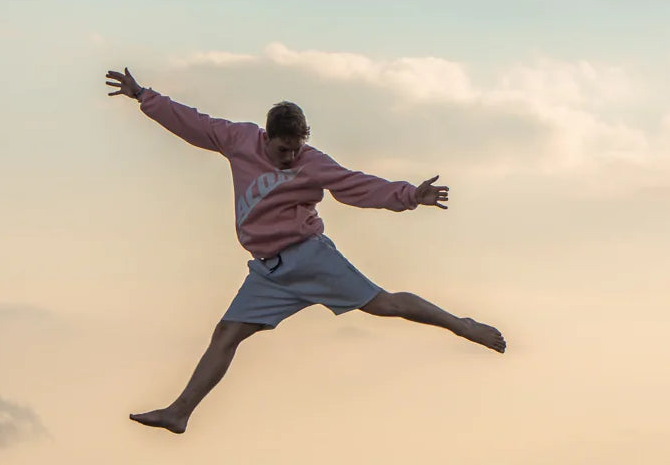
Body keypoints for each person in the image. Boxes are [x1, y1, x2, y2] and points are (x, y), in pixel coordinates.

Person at [107, 67, 504, 433]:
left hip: (309, 257)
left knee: (385, 305)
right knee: (226, 333)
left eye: (297, 148)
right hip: (268, 273)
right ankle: (179, 414)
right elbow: (194, 123)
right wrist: (144, 96)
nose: (291, 157)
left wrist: (410, 195)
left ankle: (463, 325)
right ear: (267, 137)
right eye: (284, 150)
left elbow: (357, 185)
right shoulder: (238, 139)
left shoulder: (311, 163)